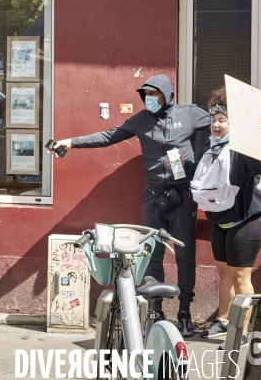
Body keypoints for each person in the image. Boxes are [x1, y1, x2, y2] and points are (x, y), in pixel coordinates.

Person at [53, 74, 211, 338]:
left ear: (167, 94)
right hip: (153, 196)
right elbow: (108, 135)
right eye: (146, 93)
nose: (149, 98)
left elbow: (222, 128)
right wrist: (72, 141)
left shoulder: (190, 114)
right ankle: (156, 312)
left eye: (154, 93)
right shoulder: (140, 120)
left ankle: (185, 313)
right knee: (152, 257)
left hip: (183, 196)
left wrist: (202, 162)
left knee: (185, 257)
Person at [192, 88, 261, 348]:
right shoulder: (209, 148)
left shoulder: (243, 151)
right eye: (213, 119)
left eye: (223, 120)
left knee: (240, 277)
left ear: (234, 124)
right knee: (223, 272)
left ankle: (244, 330)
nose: (216, 125)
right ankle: (224, 319)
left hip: (247, 219)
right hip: (221, 220)